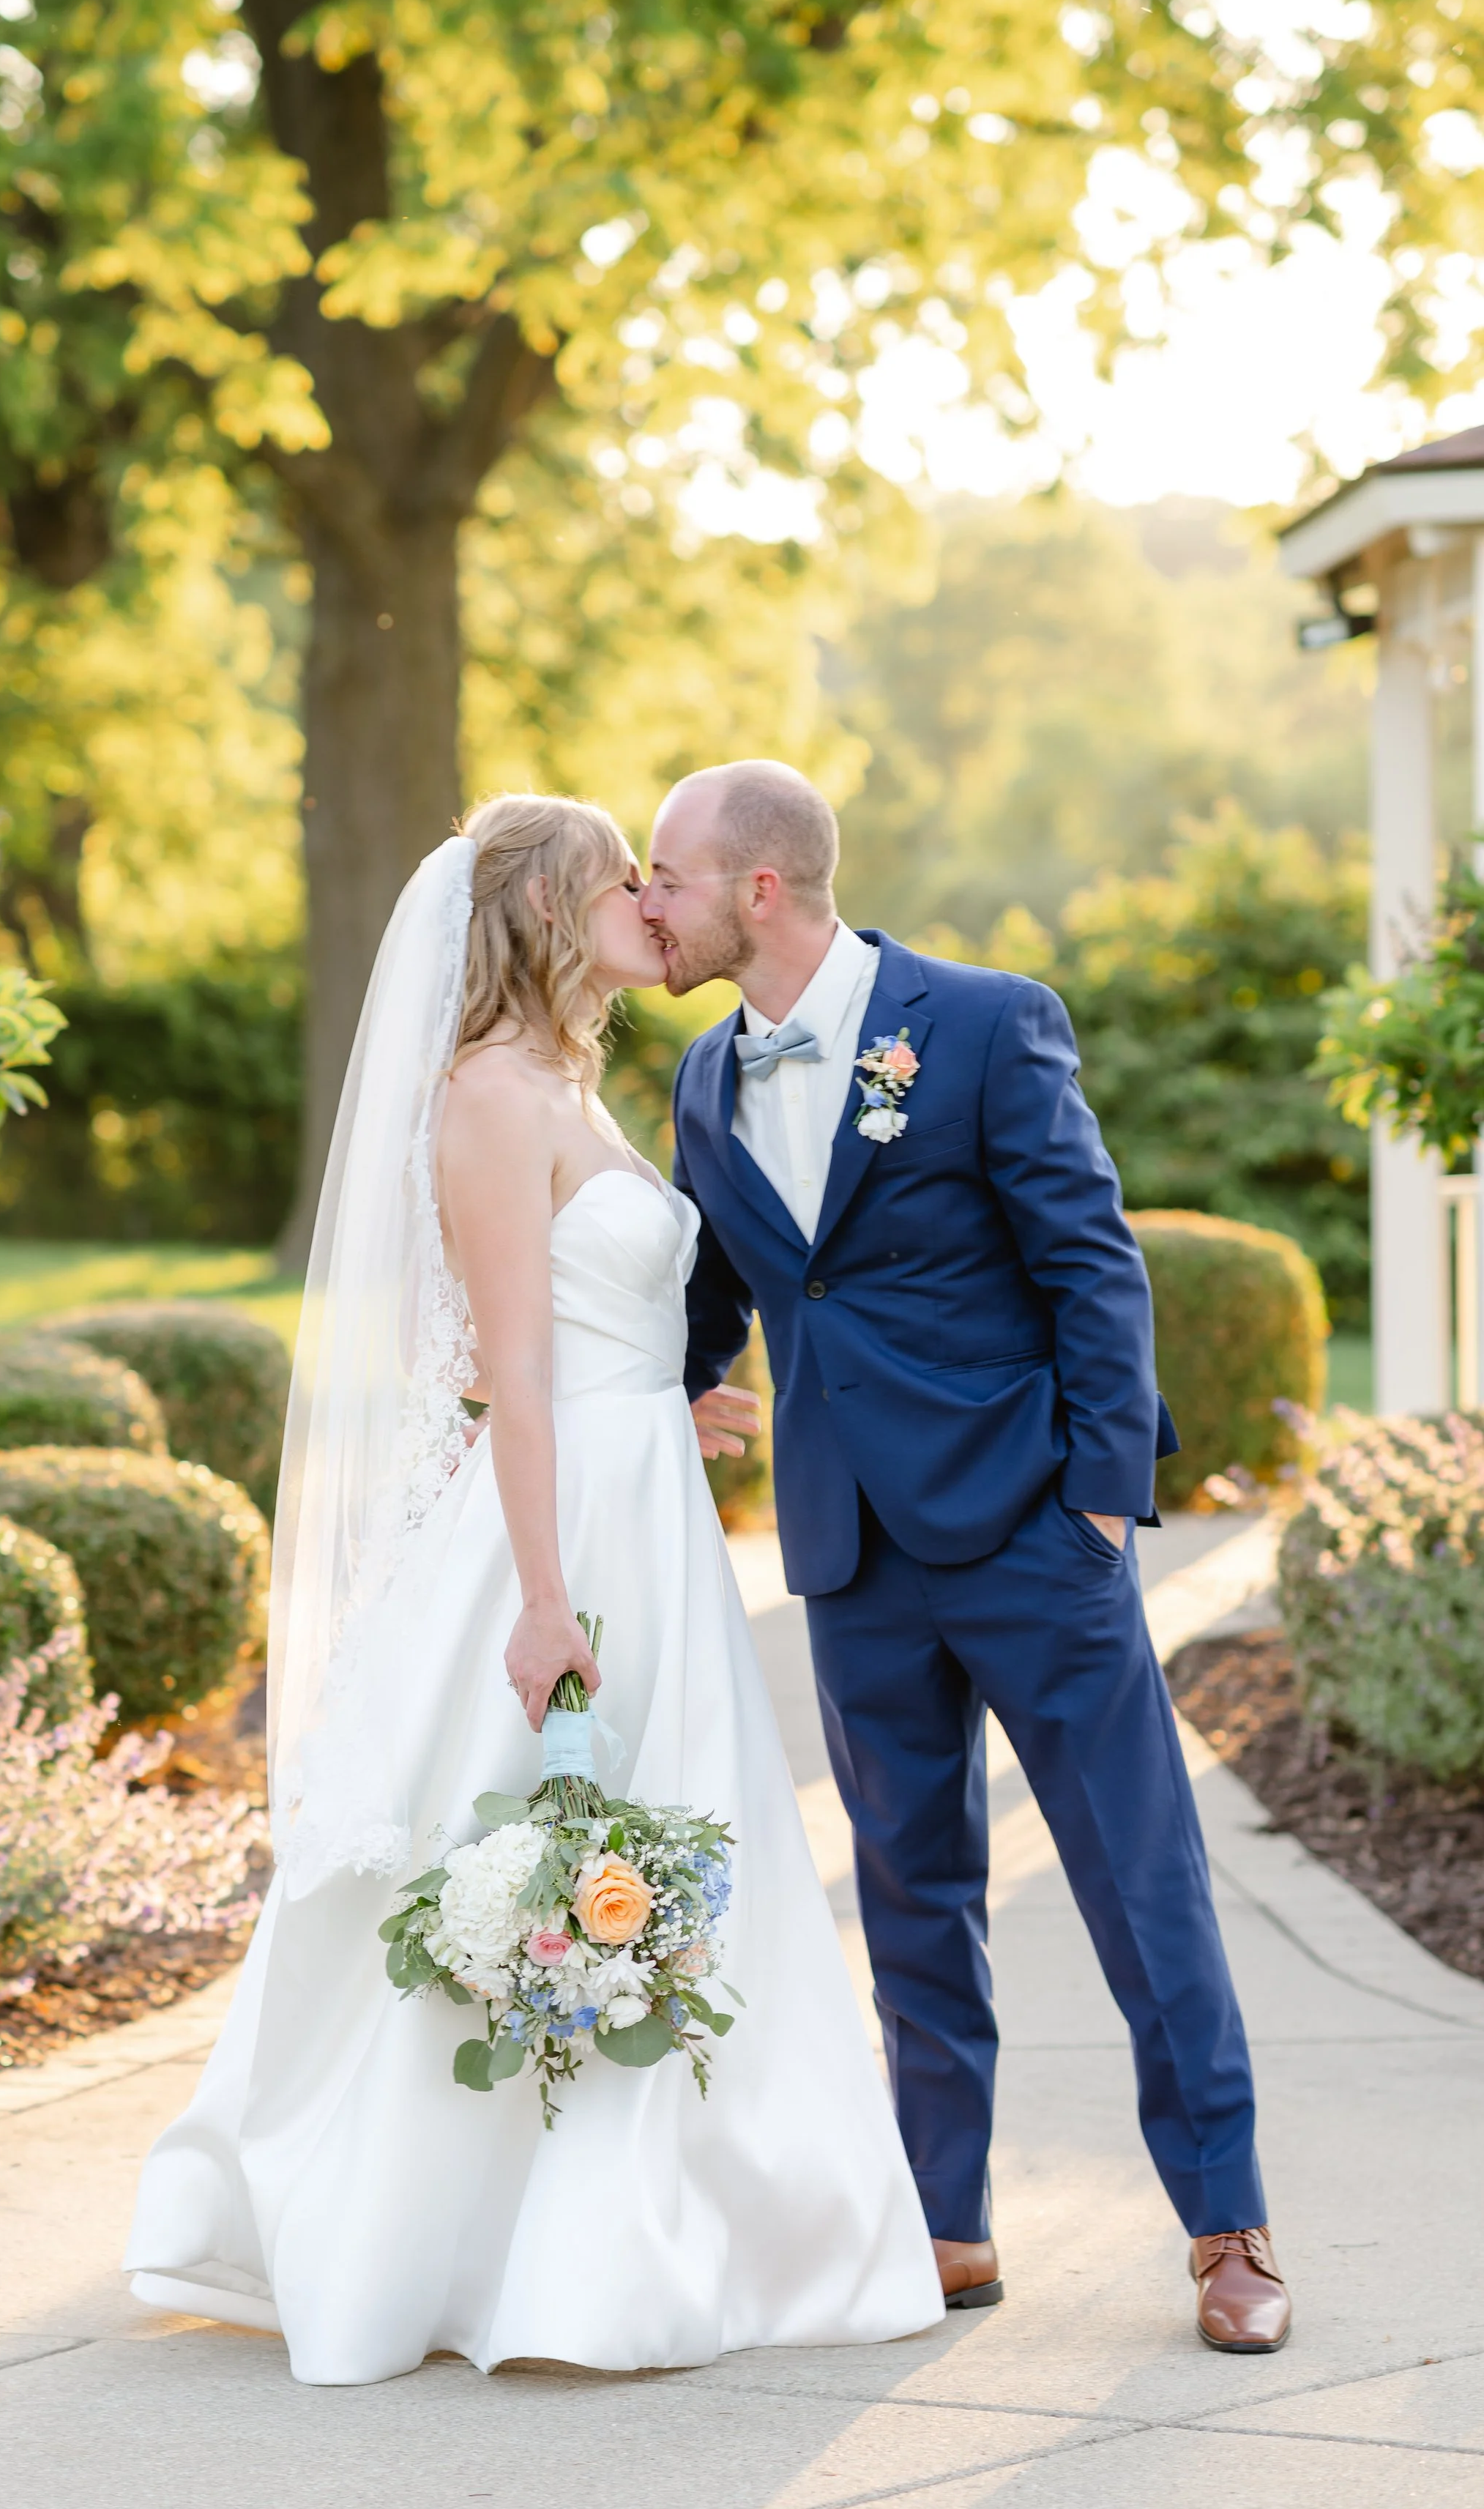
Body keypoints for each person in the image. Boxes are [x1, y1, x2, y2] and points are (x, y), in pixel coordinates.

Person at [124, 793, 944, 2385]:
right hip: (562, 1536)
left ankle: (711, 2212)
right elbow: (505, 1371)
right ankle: (487, 2242)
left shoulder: (571, 1079)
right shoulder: (490, 1096)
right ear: (543, 915)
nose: (649, 901)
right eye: (613, 882)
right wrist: (545, 1602)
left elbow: (588, 1322)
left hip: (640, 1495)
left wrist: (669, 1391)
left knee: (660, 1848)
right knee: (532, 1846)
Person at [643, 760, 1291, 2357]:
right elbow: (712, 1289)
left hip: (1025, 1535)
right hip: (851, 1557)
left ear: (761, 889)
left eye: (667, 871)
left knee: (1141, 1885)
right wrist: (632, 1398)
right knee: (910, 1897)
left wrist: (1092, 1500)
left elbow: (1089, 1258)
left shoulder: (987, 1023)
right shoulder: (703, 1082)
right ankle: (946, 2226)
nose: (647, 901)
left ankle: (1227, 2232)